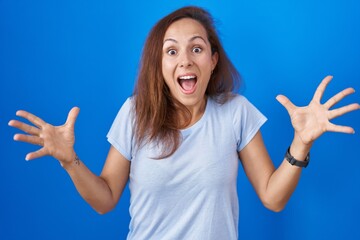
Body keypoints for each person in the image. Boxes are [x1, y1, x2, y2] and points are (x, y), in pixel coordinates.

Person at [8, 6, 359, 240]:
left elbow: (273, 197)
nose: (185, 60)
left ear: (212, 60)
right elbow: (105, 199)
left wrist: (302, 143)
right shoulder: (135, 112)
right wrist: (69, 161)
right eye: (172, 51)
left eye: (197, 48)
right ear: (159, 66)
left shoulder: (235, 111)